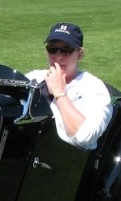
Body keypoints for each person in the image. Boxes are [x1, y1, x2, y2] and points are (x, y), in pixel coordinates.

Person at [26, 22, 112, 150]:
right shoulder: (34, 77)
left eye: (66, 50)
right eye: (52, 49)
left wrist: (59, 93)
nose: (58, 57)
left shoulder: (94, 89)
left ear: (79, 54)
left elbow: (84, 136)